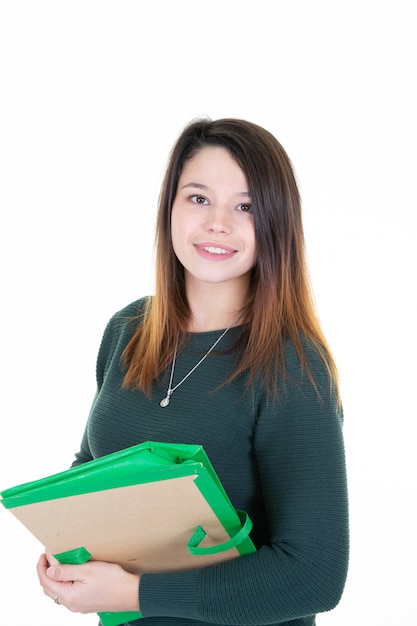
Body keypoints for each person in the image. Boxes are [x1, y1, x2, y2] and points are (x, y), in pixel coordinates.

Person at [36, 118, 349, 625]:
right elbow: (92, 469)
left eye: (245, 206)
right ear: (170, 209)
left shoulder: (291, 364)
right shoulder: (128, 329)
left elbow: (314, 576)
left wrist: (134, 594)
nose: (217, 223)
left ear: (275, 223)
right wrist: (64, 555)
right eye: (198, 198)